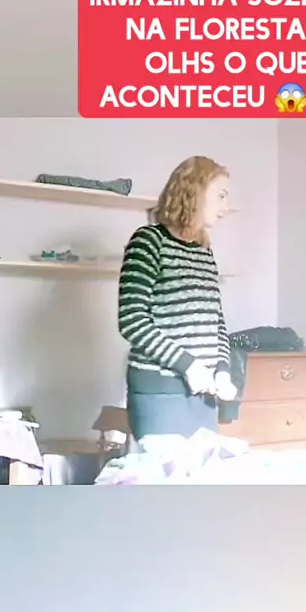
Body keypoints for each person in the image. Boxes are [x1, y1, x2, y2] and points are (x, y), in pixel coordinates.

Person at [118, 155, 237, 443]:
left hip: (204, 394)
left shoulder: (204, 251)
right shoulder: (149, 241)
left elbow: (216, 322)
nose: (226, 206)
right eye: (221, 196)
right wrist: (189, 365)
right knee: (165, 469)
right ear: (195, 191)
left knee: (202, 470)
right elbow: (132, 320)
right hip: (160, 391)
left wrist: (222, 370)